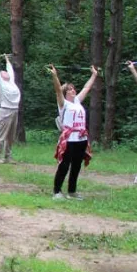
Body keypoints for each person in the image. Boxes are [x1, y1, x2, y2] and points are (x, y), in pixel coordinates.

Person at [49, 64, 98, 200]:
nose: (73, 91)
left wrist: (94, 74)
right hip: (69, 140)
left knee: (76, 166)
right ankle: (57, 191)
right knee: (64, 165)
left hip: (81, 139)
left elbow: (87, 88)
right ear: (65, 94)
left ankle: (72, 191)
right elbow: (58, 90)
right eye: (69, 90)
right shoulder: (64, 104)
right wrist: (54, 75)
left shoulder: (77, 102)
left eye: (73, 89)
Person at [0, 54, 21, 163]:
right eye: (3, 72)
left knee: (11, 136)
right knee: (1, 135)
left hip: (15, 111)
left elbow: (10, 70)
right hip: (5, 111)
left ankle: (8, 156)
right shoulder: (0, 84)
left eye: (5, 72)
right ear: (1, 77)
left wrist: (7, 60)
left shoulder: (11, 82)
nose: (6, 73)